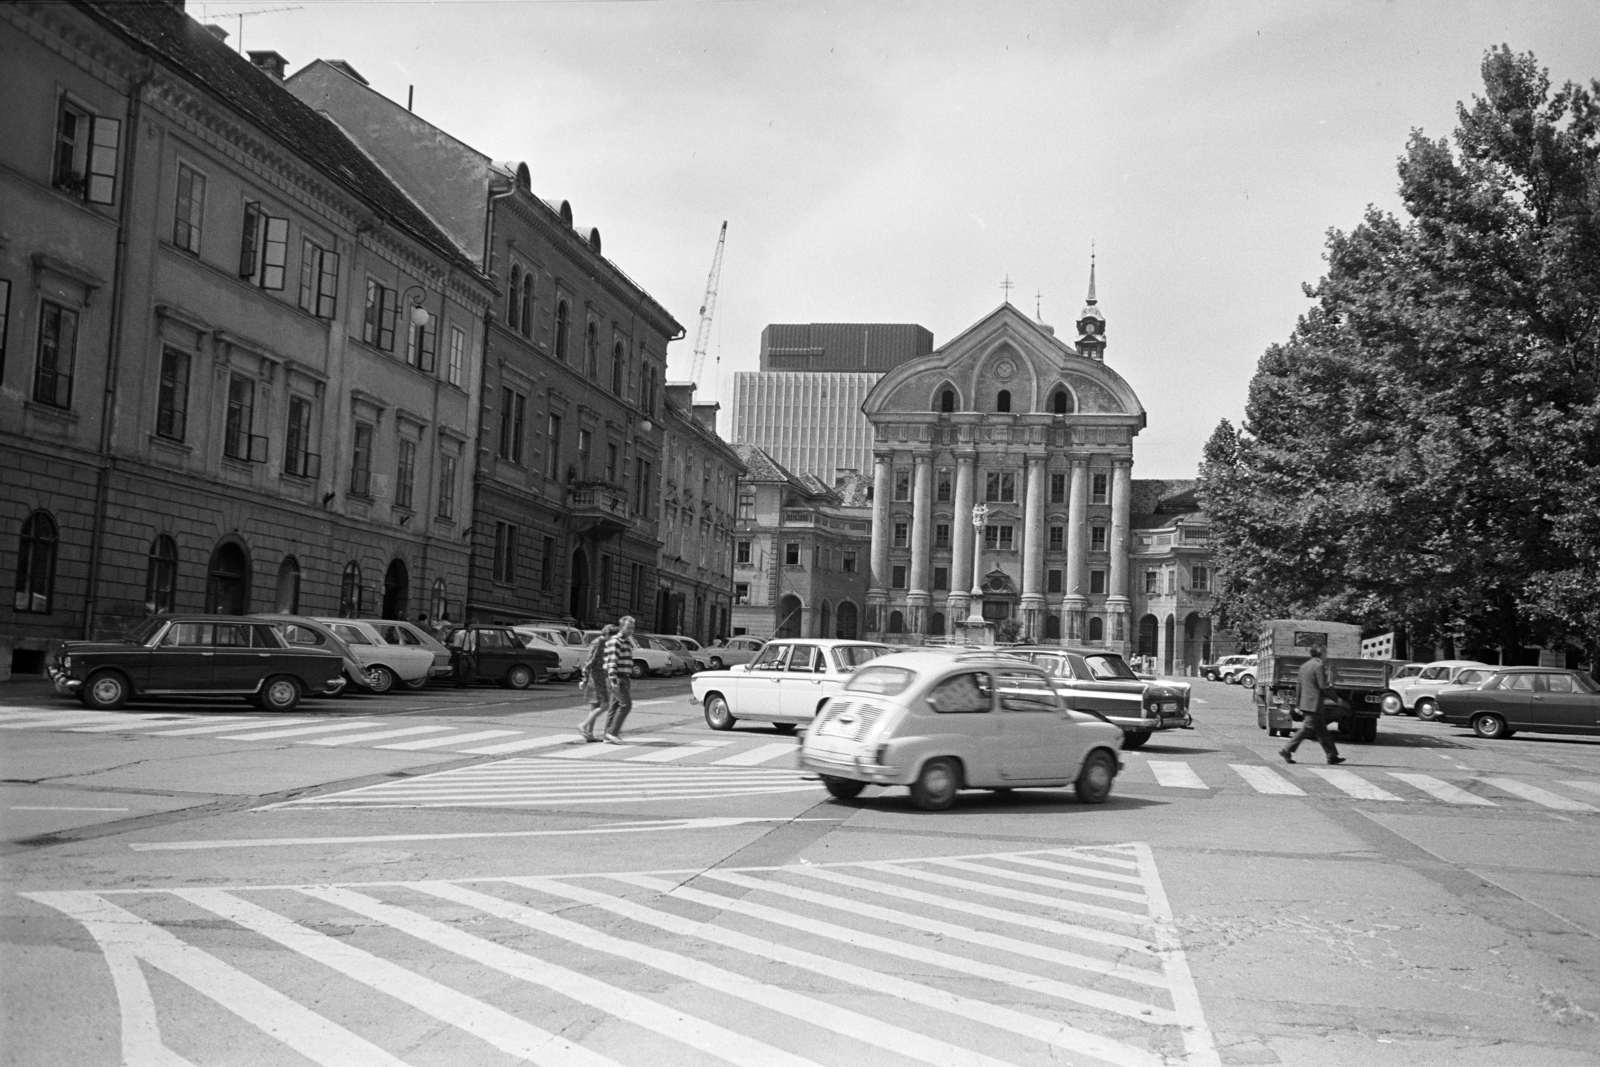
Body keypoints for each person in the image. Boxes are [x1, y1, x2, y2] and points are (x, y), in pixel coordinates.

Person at [1281, 643, 1345, 765]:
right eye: (1326, 653)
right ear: (1321, 653)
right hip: (1314, 705)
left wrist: (1298, 704)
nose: (1327, 655)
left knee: (1322, 731)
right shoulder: (1319, 666)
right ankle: (1287, 750)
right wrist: (1337, 700)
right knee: (1306, 728)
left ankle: (1332, 755)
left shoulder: (1304, 666)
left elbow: (1298, 687)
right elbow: (1323, 686)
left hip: (1307, 703)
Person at [577, 624, 617, 742]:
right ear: (608, 634)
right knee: (605, 705)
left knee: (595, 706)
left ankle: (589, 733)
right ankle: (583, 725)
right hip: (597, 679)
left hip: (599, 677)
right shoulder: (599, 642)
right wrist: (584, 679)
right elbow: (590, 661)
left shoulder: (604, 642)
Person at [602, 615, 636, 743]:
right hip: (618, 678)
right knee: (626, 705)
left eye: (632, 628)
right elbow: (612, 662)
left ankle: (607, 735)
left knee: (614, 706)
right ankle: (613, 732)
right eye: (628, 628)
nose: (630, 630)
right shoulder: (615, 641)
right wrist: (614, 681)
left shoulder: (626, 641)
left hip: (624, 677)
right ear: (621, 627)